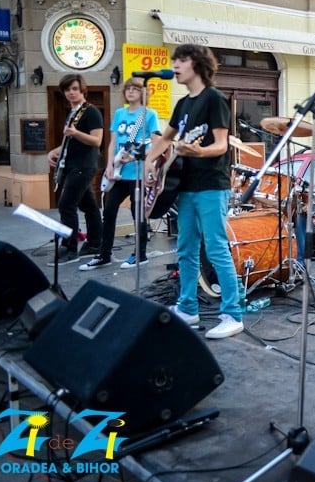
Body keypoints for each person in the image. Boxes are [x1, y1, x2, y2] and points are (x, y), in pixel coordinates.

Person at [145, 44, 244, 339]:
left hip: (211, 184)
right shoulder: (183, 104)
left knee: (215, 248)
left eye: (181, 60)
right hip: (185, 185)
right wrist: (151, 162)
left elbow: (221, 145)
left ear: (197, 64)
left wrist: (196, 151)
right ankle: (187, 307)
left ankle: (233, 314)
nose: (175, 65)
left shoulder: (214, 100)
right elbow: (165, 139)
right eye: (174, 60)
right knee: (186, 248)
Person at [80, 77, 161, 271]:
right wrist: (108, 165)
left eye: (135, 89)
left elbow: (156, 143)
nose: (131, 92)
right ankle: (104, 254)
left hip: (138, 173)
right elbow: (112, 142)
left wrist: (135, 158)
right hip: (119, 173)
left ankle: (140, 254)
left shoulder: (149, 115)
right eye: (128, 89)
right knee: (108, 210)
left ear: (143, 93)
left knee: (137, 213)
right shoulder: (119, 113)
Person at [46, 74, 103, 265]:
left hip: (83, 165)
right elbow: (68, 141)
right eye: (67, 89)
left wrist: (76, 132)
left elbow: (97, 141)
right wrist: (53, 152)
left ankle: (70, 248)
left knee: (66, 205)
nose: (71, 93)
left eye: (75, 89)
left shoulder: (91, 111)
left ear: (82, 90)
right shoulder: (72, 113)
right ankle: (95, 243)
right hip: (71, 164)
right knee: (89, 206)